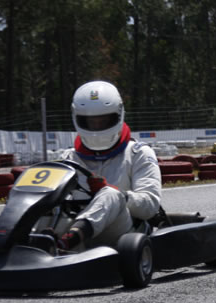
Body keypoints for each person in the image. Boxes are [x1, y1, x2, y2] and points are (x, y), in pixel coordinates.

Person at [58, 81, 162, 250]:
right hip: (76, 231)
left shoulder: (138, 153)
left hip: (124, 235)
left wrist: (119, 195)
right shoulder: (69, 157)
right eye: (91, 122)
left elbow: (150, 205)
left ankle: (70, 240)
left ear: (118, 115)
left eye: (104, 121)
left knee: (111, 194)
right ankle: (21, 243)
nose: (97, 127)